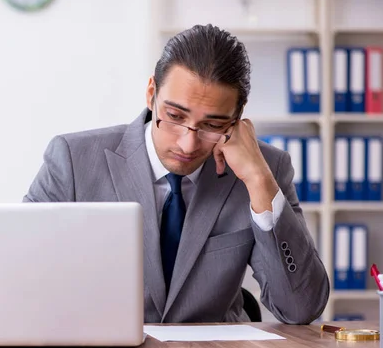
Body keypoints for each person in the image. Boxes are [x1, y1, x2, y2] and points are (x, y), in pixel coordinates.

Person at [23, 24, 329, 324]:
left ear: (236, 119)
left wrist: (258, 179)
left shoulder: (265, 169)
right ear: (151, 93)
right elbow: (21, 279)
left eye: (212, 125)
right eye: (174, 116)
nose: (188, 143)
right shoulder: (73, 161)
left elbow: (301, 308)